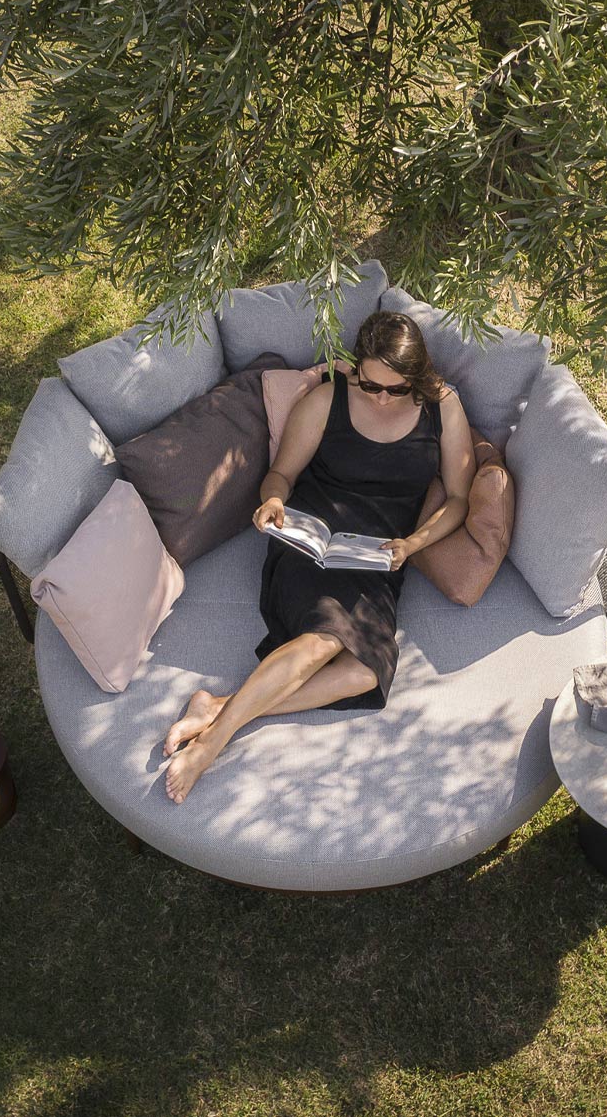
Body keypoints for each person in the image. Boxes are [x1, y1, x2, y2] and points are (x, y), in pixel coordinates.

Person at [162, 310, 475, 803]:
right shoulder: (327, 399)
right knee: (325, 643)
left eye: (397, 389)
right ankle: (213, 743)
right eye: (371, 385)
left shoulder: (443, 407)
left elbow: (459, 499)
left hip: (376, 556)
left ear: (417, 376)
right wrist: (272, 500)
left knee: (367, 672)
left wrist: (414, 544)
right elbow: (282, 475)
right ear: (355, 368)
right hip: (310, 540)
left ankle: (218, 707)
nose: (382, 398)